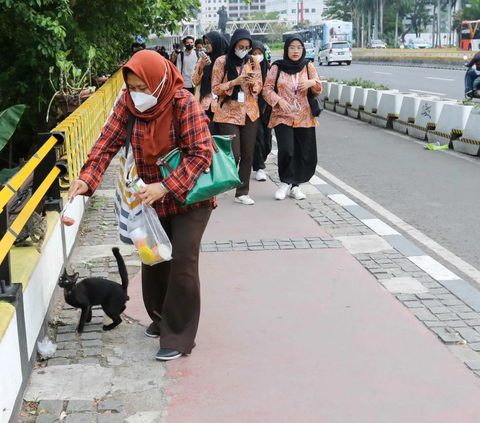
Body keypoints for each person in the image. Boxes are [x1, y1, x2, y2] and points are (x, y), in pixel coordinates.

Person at [68, 50, 214, 362]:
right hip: (150, 199)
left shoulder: (182, 103)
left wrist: (165, 186)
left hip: (189, 199)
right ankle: (160, 317)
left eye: (143, 87)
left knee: (182, 262)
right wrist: (86, 179)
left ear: (159, 81)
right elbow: (106, 143)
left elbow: (201, 154)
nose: (138, 94)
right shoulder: (128, 103)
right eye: (132, 87)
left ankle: (178, 335)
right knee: (154, 259)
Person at [263, 34, 322, 201]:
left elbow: (318, 88)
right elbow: (266, 90)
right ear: (286, 49)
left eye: (298, 47)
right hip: (283, 116)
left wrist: (312, 83)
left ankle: (296, 186)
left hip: (304, 116)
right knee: (287, 149)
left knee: (303, 151)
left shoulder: (308, 66)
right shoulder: (277, 67)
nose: (295, 51)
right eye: (292, 47)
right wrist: (278, 100)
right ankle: (285, 182)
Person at [212, 29, 262, 205]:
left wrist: (252, 83)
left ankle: (242, 192)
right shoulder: (222, 61)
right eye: (240, 47)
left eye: (247, 47)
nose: (244, 50)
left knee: (248, 153)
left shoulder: (253, 61)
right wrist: (234, 82)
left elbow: (260, 86)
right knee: (235, 153)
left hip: (249, 112)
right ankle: (223, 181)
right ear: (233, 45)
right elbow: (215, 88)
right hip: (228, 113)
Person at [192, 31, 229, 135]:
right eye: (205, 43)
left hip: (223, 105)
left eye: (209, 43)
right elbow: (195, 81)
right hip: (206, 105)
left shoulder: (226, 60)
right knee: (207, 136)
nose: (206, 46)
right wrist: (201, 67)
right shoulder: (203, 60)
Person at [251, 41, 272, 182]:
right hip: (253, 109)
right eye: (254, 53)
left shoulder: (270, 69)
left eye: (260, 53)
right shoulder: (247, 69)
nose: (257, 56)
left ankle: (261, 160)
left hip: (268, 109)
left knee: (268, 141)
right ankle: (259, 167)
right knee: (258, 138)